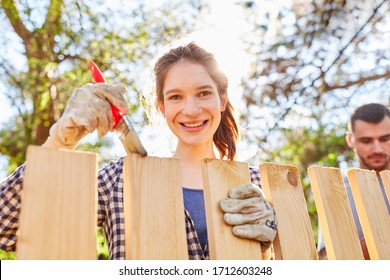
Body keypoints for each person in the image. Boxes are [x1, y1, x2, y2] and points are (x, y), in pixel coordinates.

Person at [0, 41, 277, 260]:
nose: (191, 109)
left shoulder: (257, 188)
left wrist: (267, 253)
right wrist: (59, 142)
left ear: (222, 99)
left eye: (204, 93)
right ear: (162, 107)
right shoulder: (119, 179)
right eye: (175, 97)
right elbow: (6, 228)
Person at [317, 103, 390, 260]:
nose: (377, 149)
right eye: (366, 140)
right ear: (351, 140)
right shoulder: (337, 192)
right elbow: (325, 260)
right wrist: (370, 244)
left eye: (385, 138)